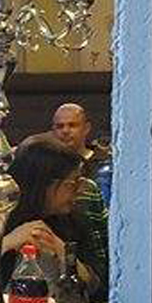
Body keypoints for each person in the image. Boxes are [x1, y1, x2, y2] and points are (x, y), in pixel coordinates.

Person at [0, 135, 106, 298]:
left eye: (80, 182)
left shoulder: (72, 217)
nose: (78, 190)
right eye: (72, 183)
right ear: (42, 184)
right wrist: (4, 244)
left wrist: (63, 252)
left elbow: (100, 288)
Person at [51, 103, 110, 272]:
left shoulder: (106, 165)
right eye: (60, 126)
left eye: (72, 125)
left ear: (86, 128)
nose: (65, 131)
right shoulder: (47, 168)